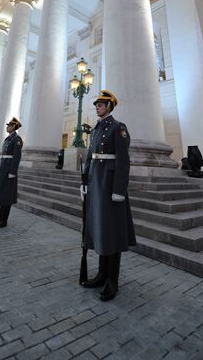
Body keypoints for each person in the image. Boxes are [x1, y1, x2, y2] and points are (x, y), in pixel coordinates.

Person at [80, 90, 136, 301]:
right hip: (96, 184)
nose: (97, 108)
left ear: (110, 107)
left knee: (111, 231)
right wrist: (85, 183)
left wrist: (119, 190)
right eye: (96, 105)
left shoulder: (117, 128)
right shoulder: (95, 130)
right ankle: (101, 274)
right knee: (100, 230)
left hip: (110, 186)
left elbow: (123, 161)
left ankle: (112, 280)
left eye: (101, 105)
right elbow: (90, 158)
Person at [0, 117, 23, 228]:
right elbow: (2, 156)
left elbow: (16, 157)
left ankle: (4, 220)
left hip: (8, 171)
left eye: (9, 125)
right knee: (1, 194)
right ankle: (0, 218)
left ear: (13, 127)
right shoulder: (7, 139)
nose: (7, 127)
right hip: (3, 170)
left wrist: (12, 172)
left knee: (6, 195)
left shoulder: (17, 139)